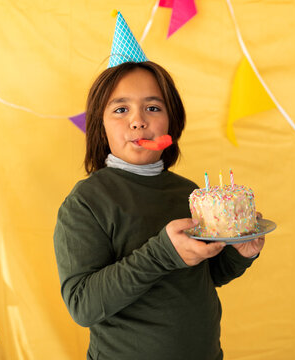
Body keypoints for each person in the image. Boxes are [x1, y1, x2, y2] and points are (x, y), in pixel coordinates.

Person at [53, 61, 265, 360]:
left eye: (153, 108)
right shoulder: (87, 202)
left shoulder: (190, 193)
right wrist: (162, 253)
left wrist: (240, 253)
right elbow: (83, 305)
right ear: (100, 124)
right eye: (120, 109)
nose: (138, 121)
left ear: (171, 122)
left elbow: (208, 275)